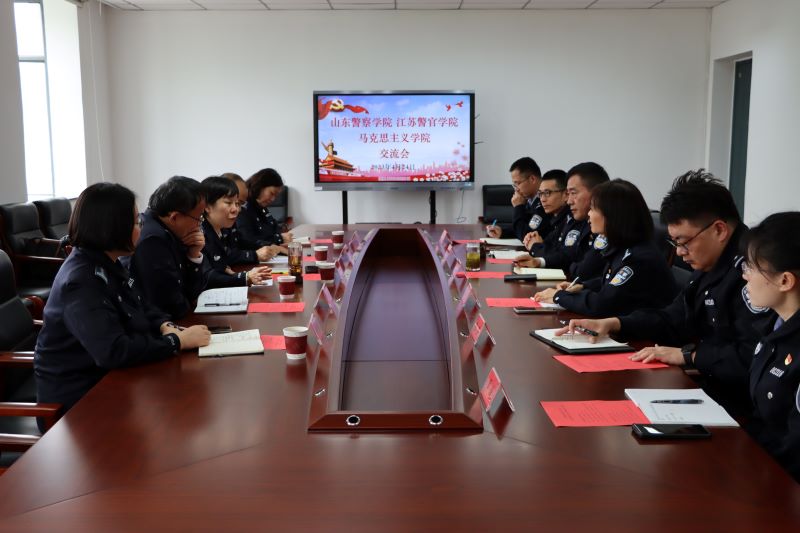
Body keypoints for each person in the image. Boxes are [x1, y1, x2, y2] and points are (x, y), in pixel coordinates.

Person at [559, 170, 773, 416]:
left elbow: (753, 356)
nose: (679, 252)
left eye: (684, 241)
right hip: (707, 390)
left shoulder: (756, 273)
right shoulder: (710, 263)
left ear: (719, 230)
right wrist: (615, 323)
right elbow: (673, 318)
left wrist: (690, 357)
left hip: (742, 407)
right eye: (675, 243)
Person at [34, 183, 210, 423]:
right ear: (113, 227)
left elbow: (140, 304)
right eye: (137, 221)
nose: (142, 227)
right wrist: (177, 341)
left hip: (114, 380)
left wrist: (164, 325)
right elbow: (113, 351)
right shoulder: (80, 281)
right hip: (78, 404)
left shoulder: (107, 263)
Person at [533, 179, 678, 317]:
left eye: (592, 209)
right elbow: (611, 283)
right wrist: (583, 286)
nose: (589, 214)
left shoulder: (639, 258)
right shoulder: (623, 246)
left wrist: (558, 296)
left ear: (612, 215)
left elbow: (601, 305)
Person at [739, 212, 800, 481]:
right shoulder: (773, 326)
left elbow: (794, 451)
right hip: (758, 463)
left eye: (751, 268)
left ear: (785, 280)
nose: (745, 276)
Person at [124, 176, 210, 319]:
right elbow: (173, 307)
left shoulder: (171, 230)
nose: (199, 225)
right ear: (174, 217)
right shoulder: (153, 240)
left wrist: (194, 255)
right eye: (199, 218)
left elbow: (195, 293)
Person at [515, 162, 610, 280]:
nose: (569, 201)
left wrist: (536, 248)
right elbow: (558, 251)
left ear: (597, 193)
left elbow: (577, 267)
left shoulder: (605, 229)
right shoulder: (574, 219)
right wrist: (539, 260)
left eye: (573, 193)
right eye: (568, 194)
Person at [200, 177, 273, 288]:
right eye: (228, 203)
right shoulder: (199, 233)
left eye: (237, 203)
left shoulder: (221, 227)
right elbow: (206, 277)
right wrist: (245, 277)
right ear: (207, 207)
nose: (236, 209)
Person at [485, 157, 551, 242]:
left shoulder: (545, 201)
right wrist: (502, 232)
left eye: (517, 183)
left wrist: (518, 207)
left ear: (532, 179)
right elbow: (524, 226)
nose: (516, 189)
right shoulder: (530, 199)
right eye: (514, 185)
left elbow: (526, 236)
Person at [236, 168, 293, 248]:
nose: (273, 199)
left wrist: (281, 237)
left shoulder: (261, 206)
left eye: (276, 196)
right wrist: (279, 239)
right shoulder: (243, 207)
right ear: (260, 186)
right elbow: (248, 240)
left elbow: (275, 227)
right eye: (272, 193)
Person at [522, 169, 569, 256]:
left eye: (547, 193)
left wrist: (536, 246)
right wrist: (532, 239)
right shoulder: (555, 218)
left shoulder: (570, 220)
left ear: (566, 194)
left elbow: (562, 257)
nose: (542, 199)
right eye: (540, 194)